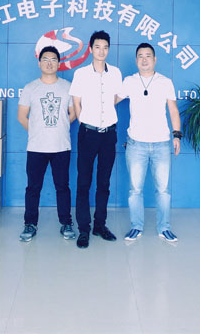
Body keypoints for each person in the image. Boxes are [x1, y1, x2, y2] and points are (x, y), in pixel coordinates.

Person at [118, 43, 181, 243]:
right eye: (140, 56)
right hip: (136, 145)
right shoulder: (129, 81)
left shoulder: (165, 82)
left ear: (155, 59)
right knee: (135, 189)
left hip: (161, 144)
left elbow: (173, 110)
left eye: (148, 56)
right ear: (136, 60)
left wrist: (177, 135)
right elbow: (111, 101)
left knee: (163, 190)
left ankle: (164, 228)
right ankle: (136, 226)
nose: (144, 59)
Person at [69, 30, 123, 249]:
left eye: (105, 47)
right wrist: (85, 122)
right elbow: (76, 102)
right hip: (88, 134)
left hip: (109, 134)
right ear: (90, 49)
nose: (101, 51)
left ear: (109, 49)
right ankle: (84, 229)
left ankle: (100, 225)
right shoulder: (81, 73)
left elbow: (117, 97)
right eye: (97, 47)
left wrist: (105, 111)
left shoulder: (115, 73)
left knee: (104, 182)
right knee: (84, 182)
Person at [17, 46, 77, 242]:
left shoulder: (67, 87)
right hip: (36, 147)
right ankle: (30, 224)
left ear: (59, 64)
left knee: (63, 187)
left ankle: (66, 223)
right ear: (39, 63)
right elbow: (21, 116)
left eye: (53, 59)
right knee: (33, 188)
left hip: (61, 146)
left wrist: (61, 127)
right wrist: (37, 131)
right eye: (45, 59)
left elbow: (74, 113)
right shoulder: (30, 88)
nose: (49, 63)